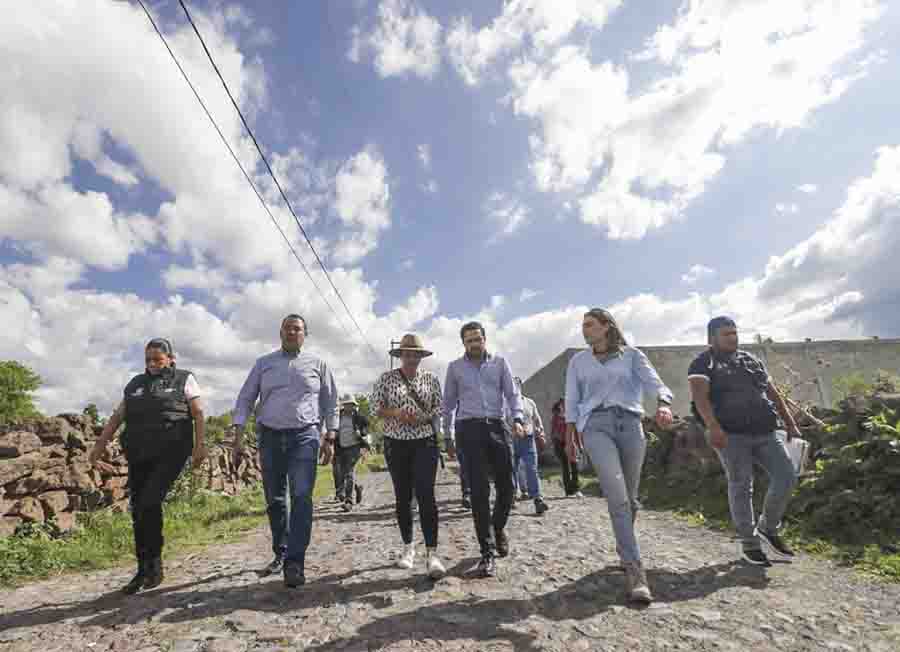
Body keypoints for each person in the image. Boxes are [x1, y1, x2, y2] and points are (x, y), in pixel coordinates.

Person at [565, 309, 673, 604]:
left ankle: (624, 544)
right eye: (583, 326)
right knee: (618, 496)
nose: (584, 330)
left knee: (631, 496)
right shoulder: (578, 361)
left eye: (589, 325)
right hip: (596, 427)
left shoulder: (632, 355)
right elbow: (572, 400)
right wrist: (570, 437)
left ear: (606, 327)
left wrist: (663, 405)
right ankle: (635, 570)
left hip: (630, 425)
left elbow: (656, 384)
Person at [88, 338, 206, 594]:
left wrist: (199, 446)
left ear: (170, 359)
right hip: (140, 453)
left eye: (158, 359)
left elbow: (197, 413)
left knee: (149, 502)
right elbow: (118, 416)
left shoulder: (185, 379)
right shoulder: (135, 385)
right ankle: (144, 569)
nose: (152, 364)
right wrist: (99, 446)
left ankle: (155, 566)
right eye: (148, 360)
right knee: (138, 510)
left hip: (172, 451)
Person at [231, 314, 338, 588]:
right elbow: (245, 397)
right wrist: (239, 434)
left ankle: (295, 562)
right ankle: (281, 552)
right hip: (270, 437)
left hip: (305, 436)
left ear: (305, 334)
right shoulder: (263, 364)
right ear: (280, 332)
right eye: (287, 328)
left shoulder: (318, 364)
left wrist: (331, 436)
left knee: (301, 496)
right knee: (275, 499)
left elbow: (330, 402)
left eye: (297, 329)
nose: (292, 332)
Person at [688, 316, 800, 567]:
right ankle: (749, 544)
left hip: (765, 430)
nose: (733, 338)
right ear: (711, 338)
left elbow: (773, 393)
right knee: (741, 485)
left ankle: (768, 528)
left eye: (735, 333)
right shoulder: (702, 363)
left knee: (787, 476)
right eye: (726, 334)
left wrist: (790, 422)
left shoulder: (751, 360)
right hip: (730, 434)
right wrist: (713, 427)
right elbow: (700, 399)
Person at [443, 321, 524, 578]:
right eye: (469, 340)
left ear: (485, 339)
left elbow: (512, 394)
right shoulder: (454, 368)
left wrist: (518, 418)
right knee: (479, 492)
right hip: (469, 429)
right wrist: (447, 435)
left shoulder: (500, 363)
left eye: (478, 339)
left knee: (508, 487)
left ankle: (497, 527)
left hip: (498, 427)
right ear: (463, 343)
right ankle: (487, 552)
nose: (474, 344)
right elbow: (448, 403)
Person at [372, 333, 446, 579]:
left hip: (424, 442)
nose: (411, 357)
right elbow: (375, 407)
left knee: (426, 496)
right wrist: (396, 413)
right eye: (407, 353)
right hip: (396, 443)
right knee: (403, 497)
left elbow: (439, 407)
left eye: (416, 354)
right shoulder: (387, 378)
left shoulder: (431, 379)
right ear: (400, 355)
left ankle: (432, 554)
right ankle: (408, 548)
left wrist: (424, 417)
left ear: (421, 356)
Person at [506, 377, 549, 515]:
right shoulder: (505, 403)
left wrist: (540, 432)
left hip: (528, 440)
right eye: (512, 384)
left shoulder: (529, 402)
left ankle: (538, 500)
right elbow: (501, 420)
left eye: (517, 384)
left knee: (532, 469)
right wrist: (511, 429)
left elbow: (537, 419)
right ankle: (511, 497)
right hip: (511, 441)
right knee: (511, 471)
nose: (515, 387)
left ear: (520, 385)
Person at [333, 394, 371, 512]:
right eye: (347, 404)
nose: (350, 407)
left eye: (351, 405)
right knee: (339, 473)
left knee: (349, 472)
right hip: (340, 448)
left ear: (354, 406)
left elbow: (366, 427)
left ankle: (348, 501)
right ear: (344, 406)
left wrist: (361, 432)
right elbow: (333, 428)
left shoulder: (358, 417)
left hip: (354, 448)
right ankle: (357, 487)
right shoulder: (338, 417)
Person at [551, 398, 582, 498]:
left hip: (571, 442)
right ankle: (569, 491)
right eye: (562, 404)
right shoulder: (556, 417)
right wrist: (556, 441)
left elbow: (576, 431)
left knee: (574, 464)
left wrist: (579, 444)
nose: (564, 406)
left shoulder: (572, 416)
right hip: (559, 443)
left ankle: (576, 489)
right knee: (565, 466)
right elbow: (553, 431)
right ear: (560, 405)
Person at [444, 408, 471, 510]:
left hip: (479, 429)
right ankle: (467, 493)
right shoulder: (458, 397)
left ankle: (475, 492)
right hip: (461, 431)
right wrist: (449, 437)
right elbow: (450, 411)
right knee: (464, 464)